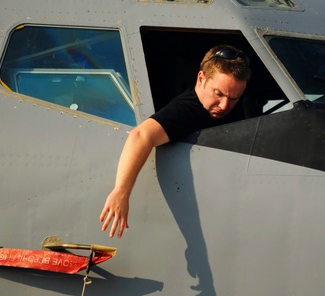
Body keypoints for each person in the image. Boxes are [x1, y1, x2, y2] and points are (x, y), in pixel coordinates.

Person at [99, 45, 252, 238]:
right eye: (218, 94)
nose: (224, 106)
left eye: (234, 98)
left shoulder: (221, 107)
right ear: (201, 79)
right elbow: (140, 136)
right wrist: (121, 191)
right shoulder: (188, 110)